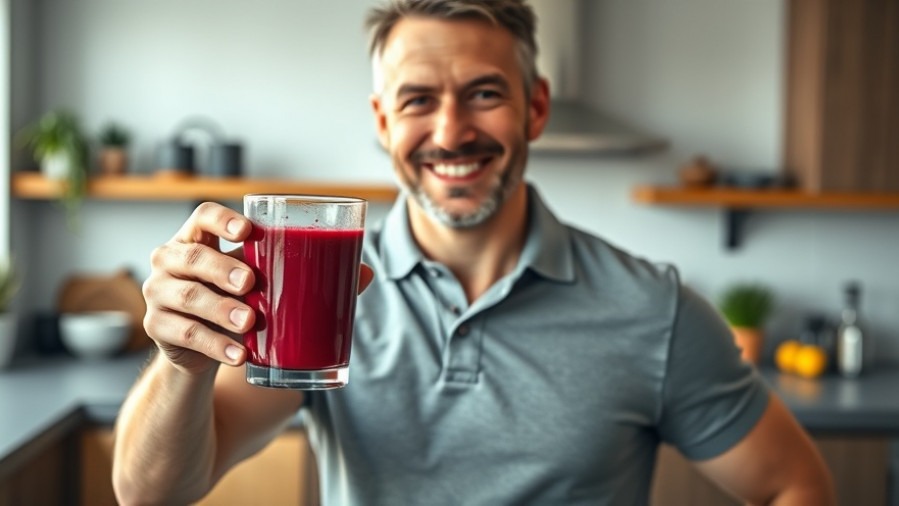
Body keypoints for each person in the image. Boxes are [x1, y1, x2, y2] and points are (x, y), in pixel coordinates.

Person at [112, 1, 835, 504]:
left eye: (484, 93)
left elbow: (793, 484)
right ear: (382, 119)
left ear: (536, 106)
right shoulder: (313, 293)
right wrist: (183, 366)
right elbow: (148, 492)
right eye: (418, 99)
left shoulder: (652, 309)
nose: (451, 132)